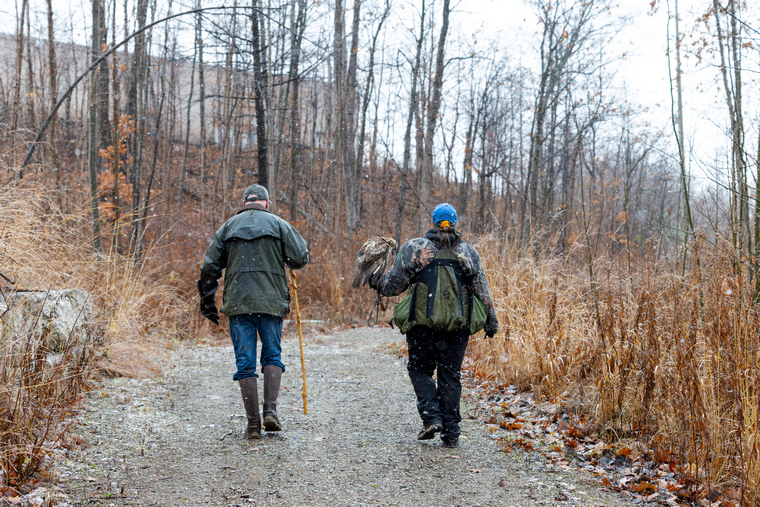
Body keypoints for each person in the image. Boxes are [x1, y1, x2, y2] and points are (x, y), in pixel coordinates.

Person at [372, 203, 498, 447]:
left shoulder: (414, 248)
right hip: (458, 327)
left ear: (433, 221)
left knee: (419, 369)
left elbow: (392, 287)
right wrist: (491, 321)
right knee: (450, 375)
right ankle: (451, 432)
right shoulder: (468, 252)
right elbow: (482, 290)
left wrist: (374, 279)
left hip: (422, 325)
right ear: (455, 222)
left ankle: (431, 417)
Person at [198, 184, 309, 439]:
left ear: (245, 202)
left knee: (244, 362)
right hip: (270, 303)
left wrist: (207, 302)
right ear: (266, 203)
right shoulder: (279, 225)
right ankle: (270, 411)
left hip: (238, 304)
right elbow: (300, 258)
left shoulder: (228, 227)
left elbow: (209, 267)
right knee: (272, 355)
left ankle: (252, 424)